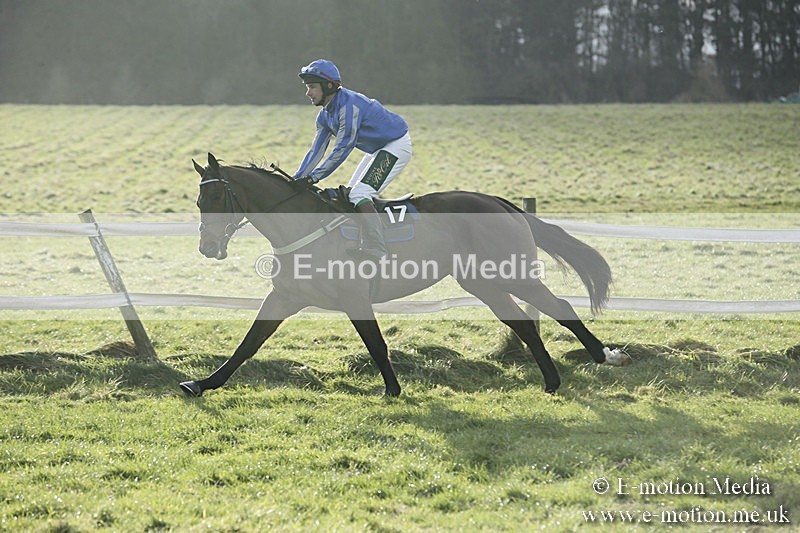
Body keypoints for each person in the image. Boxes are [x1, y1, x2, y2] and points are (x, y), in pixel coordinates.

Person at [294, 59, 412, 259]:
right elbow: (316, 151)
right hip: (378, 149)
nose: (308, 93)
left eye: (312, 87)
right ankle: (361, 241)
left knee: (358, 195)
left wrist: (314, 178)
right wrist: (297, 178)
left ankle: (377, 247)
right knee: (351, 196)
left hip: (396, 146)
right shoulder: (324, 115)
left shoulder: (349, 108)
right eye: (307, 87)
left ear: (328, 86)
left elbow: (342, 148)